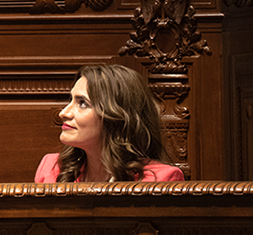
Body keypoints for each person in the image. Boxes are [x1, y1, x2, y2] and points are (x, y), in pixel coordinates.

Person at [34, 64, 184, 183]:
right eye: (70, 100)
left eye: (82, 103)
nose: (63, 113)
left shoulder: (161, 179)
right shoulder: (52, 168)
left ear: (116, 117)